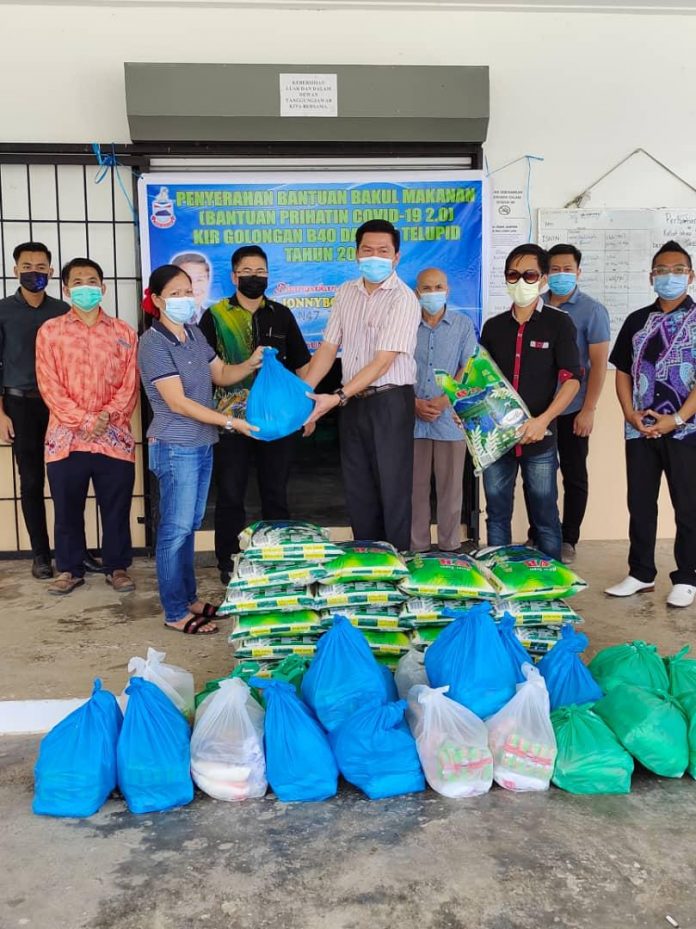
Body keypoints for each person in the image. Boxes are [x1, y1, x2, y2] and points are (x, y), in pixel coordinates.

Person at [138, 264, 262, 634]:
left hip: (200, 444)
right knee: (174, 531)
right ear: (157, 300)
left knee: (189, 526)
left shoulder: (193, 334)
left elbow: (220, 374)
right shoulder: (153, 343)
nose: (183, 299)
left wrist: (253, 361)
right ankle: (175, 611)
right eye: (174, 293)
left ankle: (189, 597)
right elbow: (177, 403)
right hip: (176, 445)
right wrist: (228, 421)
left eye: (188, 291)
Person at [304, 219, 421, 552]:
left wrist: (337, 396)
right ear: (356, 254)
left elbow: (383, 361)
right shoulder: (345, 292)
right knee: (359, 489)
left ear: (396, 256)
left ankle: (396, 566)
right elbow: (327, 349)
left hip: (390, 402)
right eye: (367, 250)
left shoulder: (404, 298)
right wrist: (304, 398)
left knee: (393, 490)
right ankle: (367, 563)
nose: (375, 256)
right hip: (353, 405)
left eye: (383, 251)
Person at [199, 245, 312, 584]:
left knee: (275, 492)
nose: (254, 277)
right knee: (231, 494)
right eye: (247, 271)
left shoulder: (281, 313)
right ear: (234, 276)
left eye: (261, 271)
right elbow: (206, 369)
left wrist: (306, 410)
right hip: (231, 421)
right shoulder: (215, 316)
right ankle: (228, 562)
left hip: (277, 422)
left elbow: (302, 364)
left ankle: (277, 558)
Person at [35, 258, 139, 596]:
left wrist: (106, 417)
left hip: (114, 436)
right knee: (67, 508)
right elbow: (48, 384)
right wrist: (84, 420)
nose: (85, 286)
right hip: (66, 438)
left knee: (116, 506)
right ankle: (69, 569)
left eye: (92, 280)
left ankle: (117, 567)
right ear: (66, 289)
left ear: (103, 287)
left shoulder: (124, 332)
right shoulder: (50, 331)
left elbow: (129, 383)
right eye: (77, 281)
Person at [606, 240, 696, 608]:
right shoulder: (637, 320)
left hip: (686, 430)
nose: (669, 277)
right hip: (639, 428)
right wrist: (629, 413)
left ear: (690, 276)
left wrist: (676, 419)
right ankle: (641, 573)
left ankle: (688, 576)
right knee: (640, 503)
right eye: (662, 271)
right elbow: (623, 371)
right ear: (651, 277)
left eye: (677, 270)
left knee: (687, 504)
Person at [479, 244, 581, 561]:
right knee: (496, 515)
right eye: (513, 274)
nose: (520, 281)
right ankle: (500, 579)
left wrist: (543, 420)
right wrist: (469, 413)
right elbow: (482, 382)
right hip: (497, 442)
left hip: (539, 438)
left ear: (543, 279)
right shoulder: (493, 327)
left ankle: (549, 589)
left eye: (529, 274)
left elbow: (571, 379)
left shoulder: (559, 323)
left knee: (545, 517)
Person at [527, 243, 611, 563]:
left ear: (579, 272)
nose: (562, 275)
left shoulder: (592, 311)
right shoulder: (535, 306)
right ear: (546, 274)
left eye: (568, 269)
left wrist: (589, 408)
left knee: (574, 475)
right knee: (538, 474)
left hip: (574, 407)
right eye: (555, 269)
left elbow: (598, 365)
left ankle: (568, 539)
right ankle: (539, 533)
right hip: (540, 411)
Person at [0, 242, 68, 578]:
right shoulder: (2, 310)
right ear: (15, 270)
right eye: (27, 266)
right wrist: (0, 413)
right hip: (19, 404)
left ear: (51, 272)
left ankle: (72, 554)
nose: (34, 272)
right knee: (30, 481)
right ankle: (41, 555)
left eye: (41, 267)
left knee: (66, 479)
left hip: (60, 406)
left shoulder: (62, 310)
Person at [411, 267, 476, 554]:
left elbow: (469, 366)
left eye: (438, 286)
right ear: (417, 293)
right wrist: (412, 402)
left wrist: (445, 399)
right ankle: (418, 548)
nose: (433, 292)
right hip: (412, 418)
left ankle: (450, 548)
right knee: (415, 489)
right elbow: (394, 365)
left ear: (447, 291)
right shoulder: (406, 324)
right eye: (427, 288)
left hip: (448, 419)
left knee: (450, 490)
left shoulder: (462, 325)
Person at [171, 251, 212, 324]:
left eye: (199, 279)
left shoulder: (214, 316)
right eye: (188, 279)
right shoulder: (168, 319)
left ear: (208, 281)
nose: (194, 286)